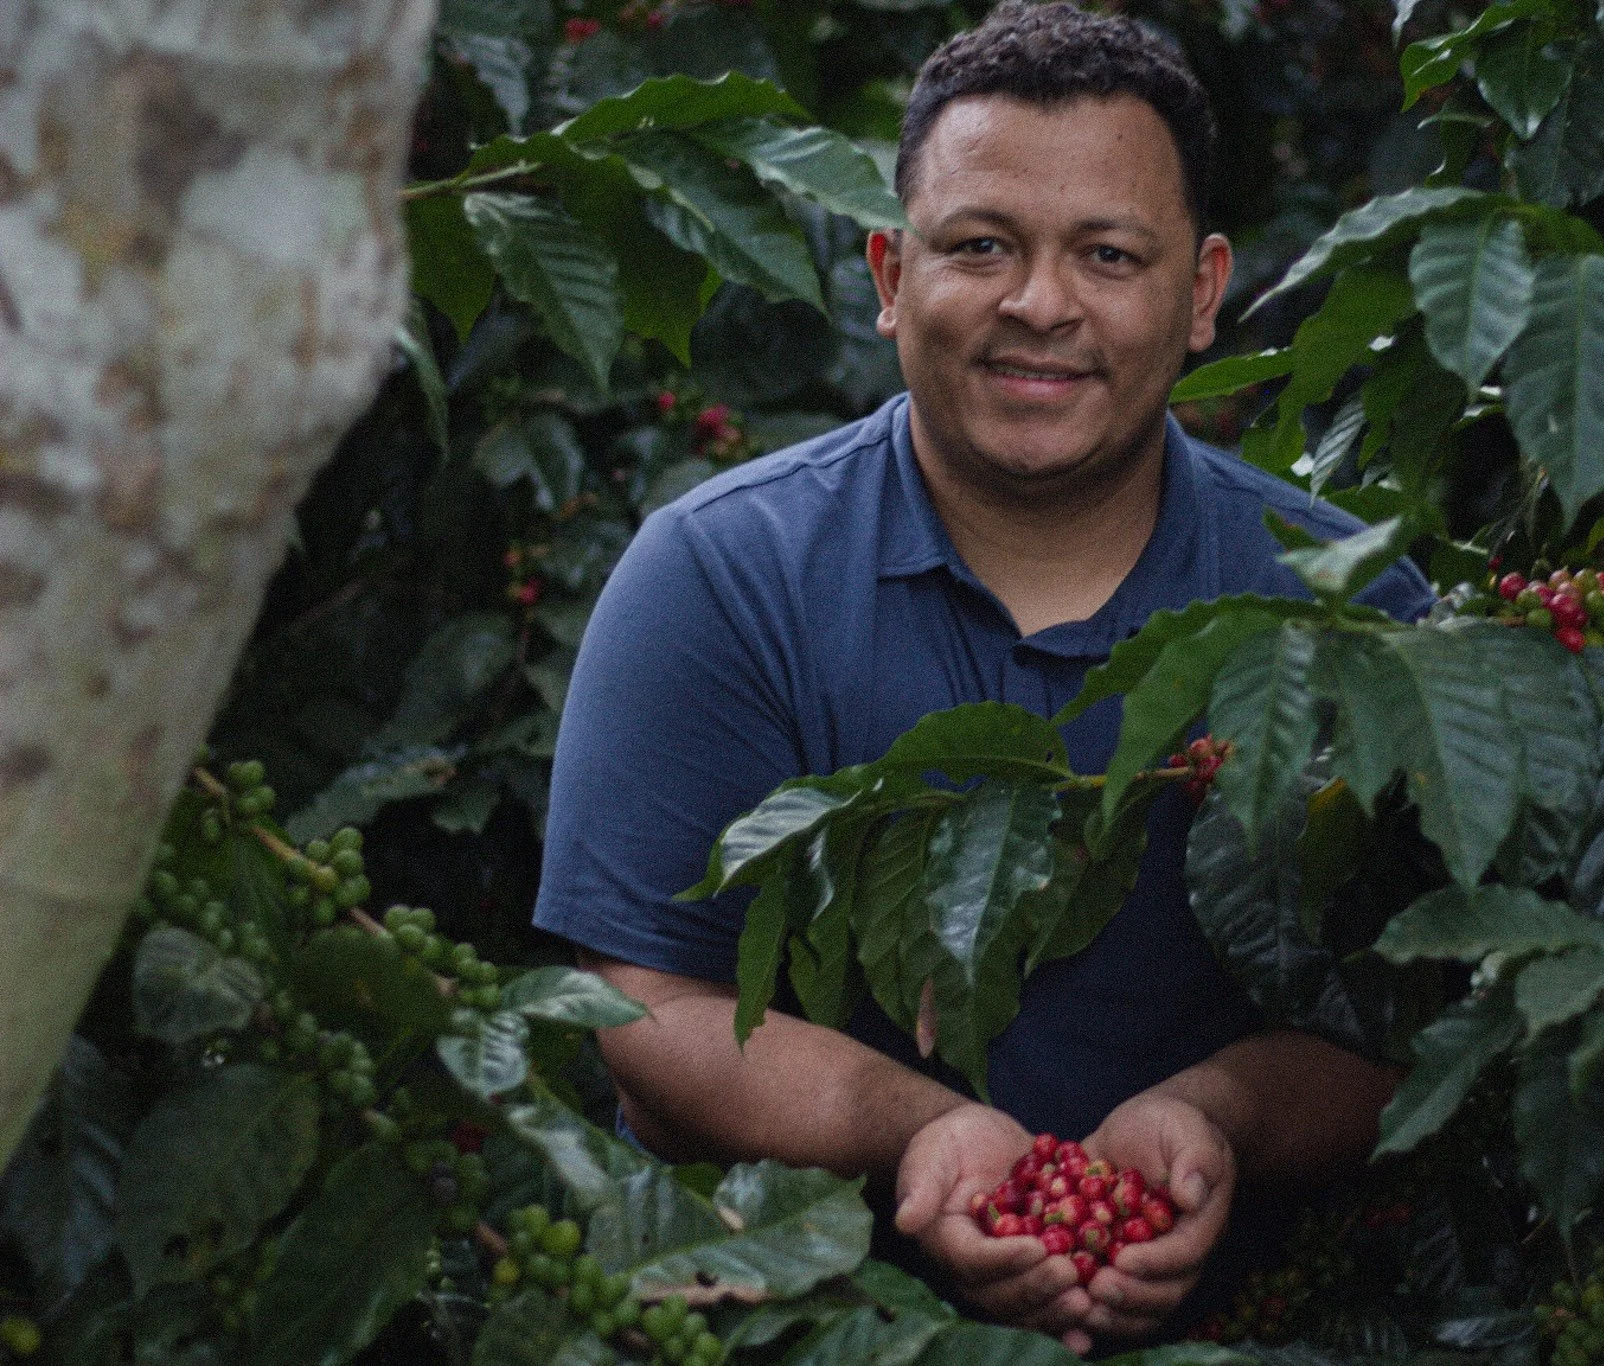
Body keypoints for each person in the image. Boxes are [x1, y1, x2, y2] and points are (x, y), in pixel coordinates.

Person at [534, 0, 1433, 1351]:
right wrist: (921, 1131)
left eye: (1109, 254)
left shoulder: (1347, 603)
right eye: (981, 246)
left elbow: (1418, 1020)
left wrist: (1218, 1117)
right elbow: (648, 1012)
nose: (1040, 305)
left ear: (1200, 294)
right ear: (891, 275)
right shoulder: (718, 576)